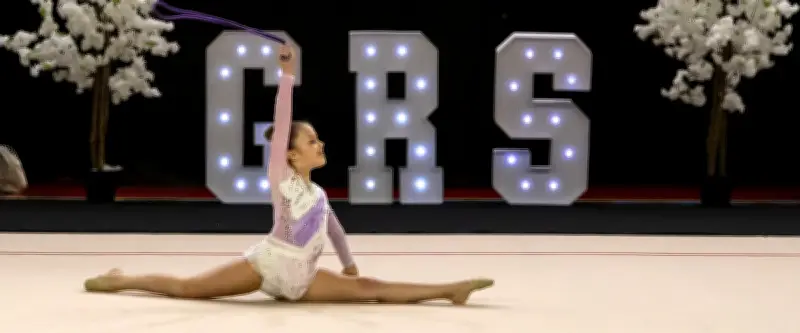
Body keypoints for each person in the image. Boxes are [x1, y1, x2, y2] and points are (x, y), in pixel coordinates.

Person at [83, 45, 494, 305]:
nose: (321, 145)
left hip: (305, 279)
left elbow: (334, 231)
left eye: (319, 140)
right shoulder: (282, 178)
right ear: (292, 154)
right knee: (190, 289)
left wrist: (349, 264)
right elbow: (281, 126)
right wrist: (286, 75)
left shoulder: (318, 195)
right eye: (312, 141)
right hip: (269, 265)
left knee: (372, 288)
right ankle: (123, 279)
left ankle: (448, 289)